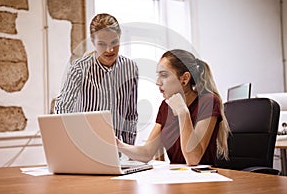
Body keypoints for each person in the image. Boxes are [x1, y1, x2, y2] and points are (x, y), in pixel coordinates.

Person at [117, 49, 230, 165]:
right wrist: (118, 144)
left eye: (164, 75)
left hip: (203, 179)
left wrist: (182, 112)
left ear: (184, 79)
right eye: (158, 75)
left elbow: (193, 159)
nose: (158, 82)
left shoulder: (208, 102)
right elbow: (147, 152)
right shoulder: (165, 106)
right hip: (176, 177)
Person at [54, 13, 138, 145]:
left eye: (114, 42)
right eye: (102, 44)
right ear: (93, 42)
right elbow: (63, 108)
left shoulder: (130, 68)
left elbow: (130, 115)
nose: (110, 49)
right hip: (85, 147)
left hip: (116, 151)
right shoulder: (79, 69)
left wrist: (130, 151)